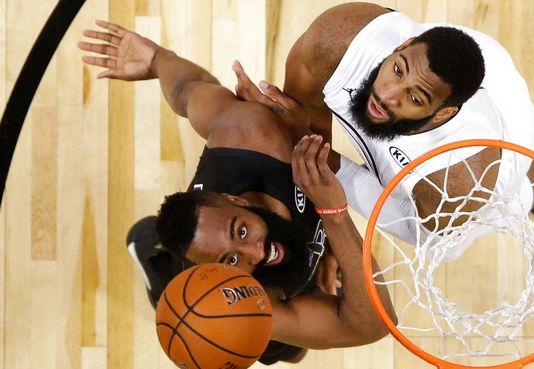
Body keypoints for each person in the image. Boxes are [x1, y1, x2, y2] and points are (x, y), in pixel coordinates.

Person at [78, 20, 395, 365]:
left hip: (260, 245)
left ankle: (155, 258)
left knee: (295, 340)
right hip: (231, 300)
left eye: (241, 231)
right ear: (214, 273)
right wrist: (334, 217)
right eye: (231, 261)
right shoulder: (238, 298)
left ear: (236, 201)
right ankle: (168, 286)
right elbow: (373, 323)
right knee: (289, 350)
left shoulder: (251, 132)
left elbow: (189, 90)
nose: (255, 253)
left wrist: (157, 59)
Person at [233, 2, 534, 244]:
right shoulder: (341, 38)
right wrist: (303, 139)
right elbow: (305, 111)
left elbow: (416, 232)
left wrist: (328, 170)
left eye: (414, 97)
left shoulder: (458, 178)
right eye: (397, 69)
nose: (388, 95)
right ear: (401, 47)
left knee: (488, 218)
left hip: (498, 144)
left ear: (442, 114)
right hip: (468, 70)